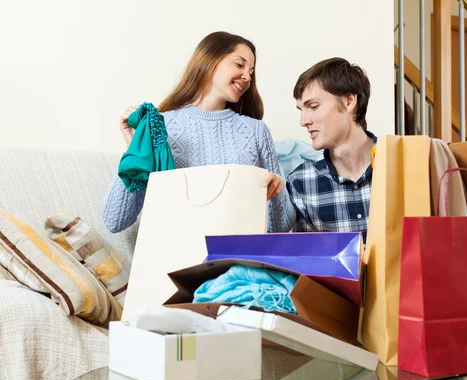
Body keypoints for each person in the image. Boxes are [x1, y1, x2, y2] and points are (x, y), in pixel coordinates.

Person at [102, 31, 294, 233]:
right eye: (239, 65)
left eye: (251, 71)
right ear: (209, 60)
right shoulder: (161, 126)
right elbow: (114, 221)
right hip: (178, 254)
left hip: (238, 255)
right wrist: (133, 148)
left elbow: (284, 225)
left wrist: (277, 191)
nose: (247, 76)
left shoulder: (255, 131)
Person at [286, 57, 376, 240]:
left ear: (349, 101)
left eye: (313, 106)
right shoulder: (301, 183)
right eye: (301, 110)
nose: (303, 121)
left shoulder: (403, 164)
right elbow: (309, 263)